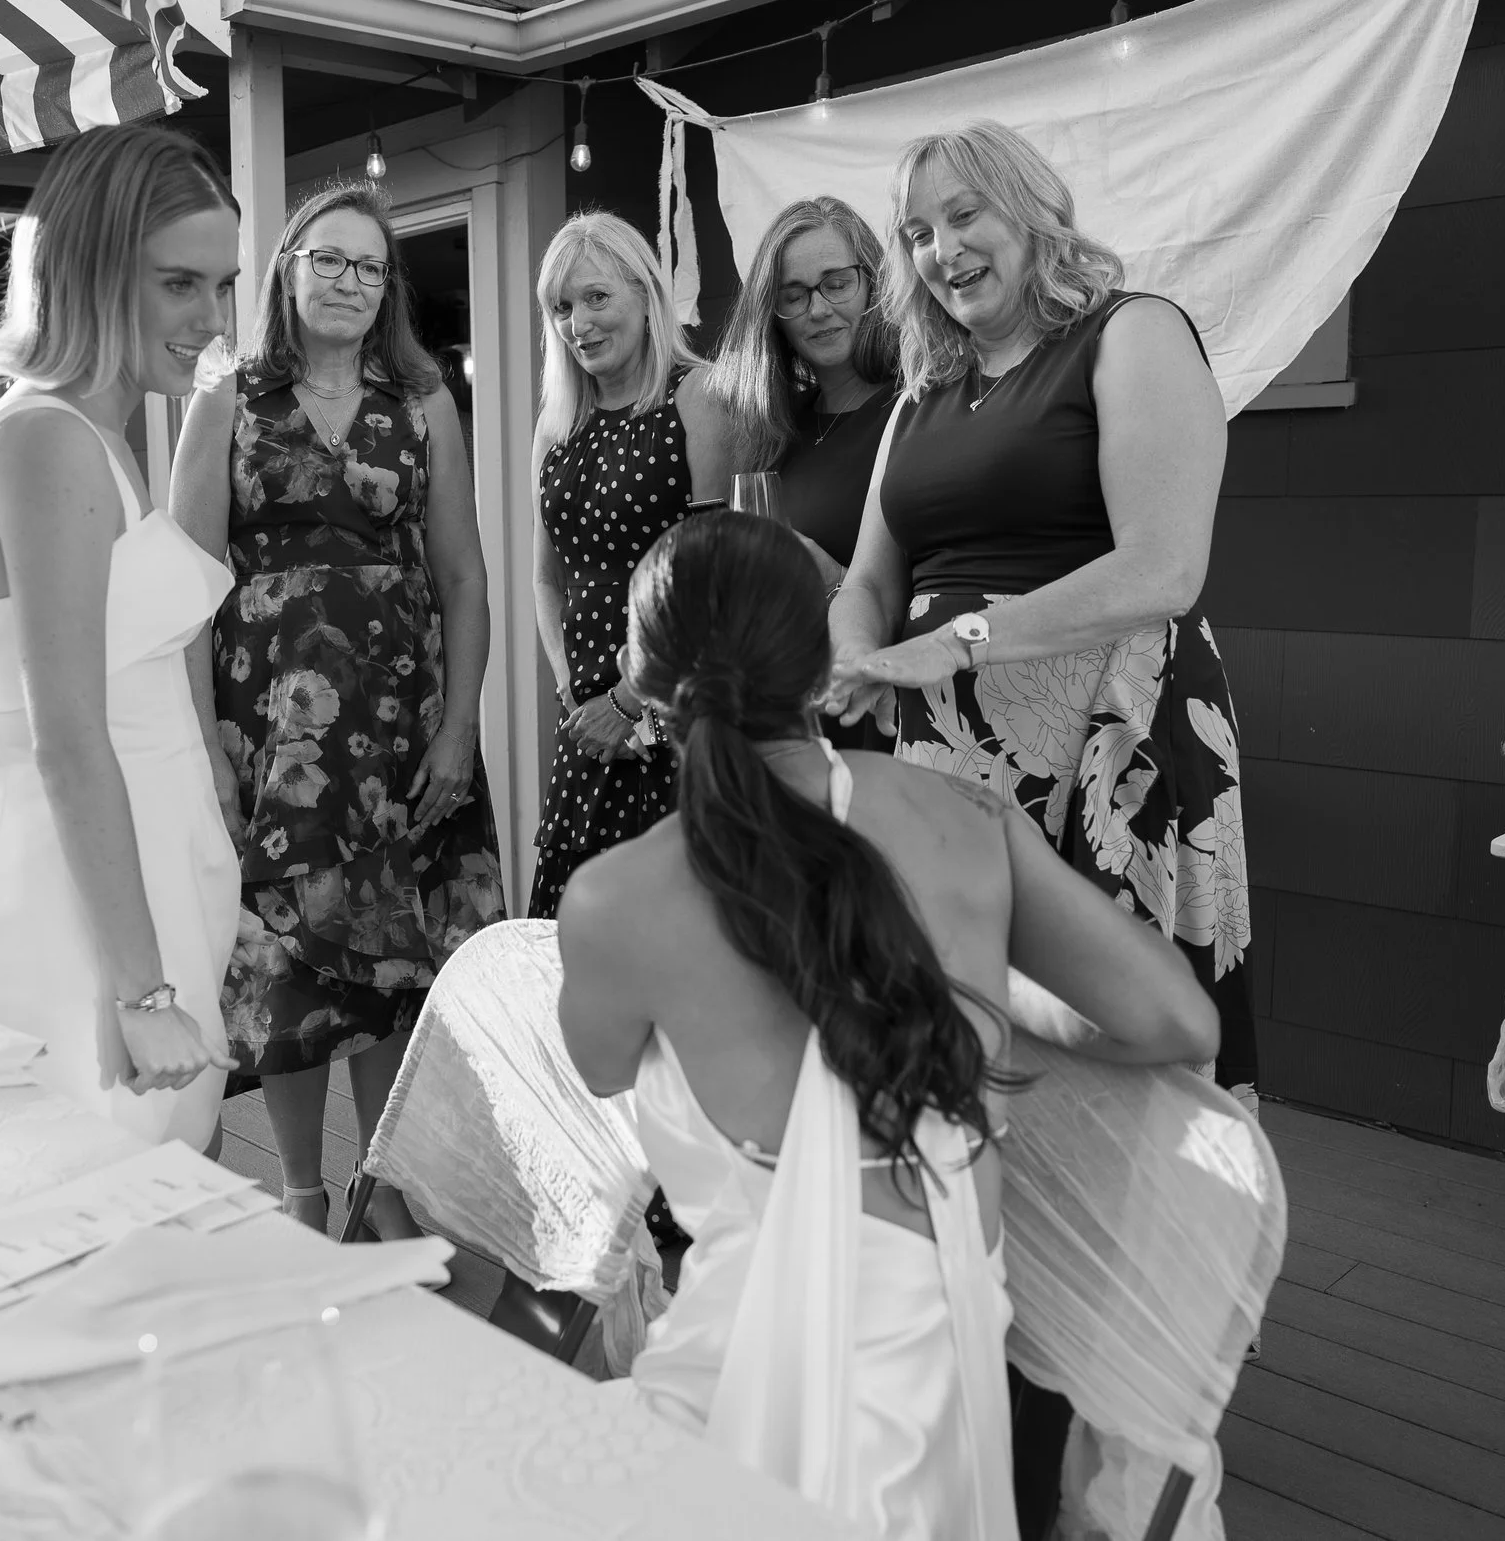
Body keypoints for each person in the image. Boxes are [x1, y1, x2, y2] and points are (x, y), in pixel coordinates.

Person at [557, 511, 1220, 1539]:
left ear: (640, 680)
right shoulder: (967, 820)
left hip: (738, 1361)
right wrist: (969, 1027)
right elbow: (1177, 1018)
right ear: (826, 660)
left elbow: (599, 1072)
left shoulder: (612, 899)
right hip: (942, 1363)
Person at [826, 119, 1255, 1091]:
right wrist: (860, 656)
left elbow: (1162, 568)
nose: (941, 251)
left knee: (1119, 1031)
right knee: (967, 1033)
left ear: (1029, 208)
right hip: (947, 756)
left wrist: (963, 641)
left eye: (963, 215)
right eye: (916, 233)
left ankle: (1154, 1237)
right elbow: (867, 581)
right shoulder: (920, 397)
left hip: (1112, 737)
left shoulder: (1130, 332)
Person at [173, 181, 505, 1239]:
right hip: (270, 731)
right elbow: (183, 587)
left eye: (370, 266)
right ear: (286, 269)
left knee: (394, 968)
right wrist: (208, 758)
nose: (350, 282)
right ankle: (302, 1195)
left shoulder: (421, 403)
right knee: (286, 964)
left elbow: (463, 578)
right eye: (329, 260)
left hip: (399, 725)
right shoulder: (225, 394)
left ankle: (383, 1187)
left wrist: (459, 728)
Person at [0, 124, 239, 1148]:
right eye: (179, 284)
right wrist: (141, 992)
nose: (210, 317)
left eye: (220, 286)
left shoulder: (88, 436)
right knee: (97, 1197)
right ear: (95, 271)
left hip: (142, 872)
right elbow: (68, 738)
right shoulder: (46, 441)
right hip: (91, 916)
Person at [527, 211, 735, 919]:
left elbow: (714, 571)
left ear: (645, 295)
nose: (576, 323)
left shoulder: (697, 396)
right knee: (570, 965)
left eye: (595, 298)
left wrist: (628, 699)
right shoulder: (557, 428)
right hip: (587, 732)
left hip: (676, 720)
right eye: (560, 307)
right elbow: (546, 579)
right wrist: (573, 694)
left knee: (677, 943)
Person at [706, 195, 902, 749]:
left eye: (836, 282)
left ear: (875, 283)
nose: (817, 310)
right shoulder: (773, 431)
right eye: (793, 295)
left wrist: (829, 578)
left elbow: (938, 593)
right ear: (774, 317)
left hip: (876, 721)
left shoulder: (917, 413)